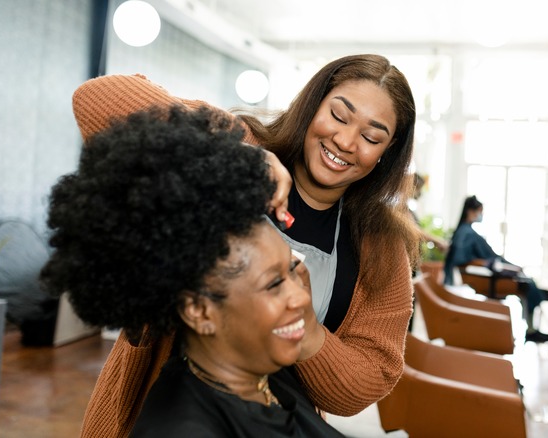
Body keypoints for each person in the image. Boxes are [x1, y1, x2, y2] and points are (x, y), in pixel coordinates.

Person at [70, 54, 421, 437]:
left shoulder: (381, 244)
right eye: (338, 115)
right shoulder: (238, 142)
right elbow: (95, 99)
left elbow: (369, 379)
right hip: (167, 404)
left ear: (388, 153)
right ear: (313, 105)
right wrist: (232, 159)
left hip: (278, 417)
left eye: (372, 137)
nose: (345, 141)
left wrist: (304, 329)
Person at [41, 106, 345, 437]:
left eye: (292, 270)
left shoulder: (261, 373)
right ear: (199, 311)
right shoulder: (183, 428)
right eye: (274, 284)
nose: (301, 298)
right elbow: (94, 98)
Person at [443, 195, 548, 343]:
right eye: (480, 211)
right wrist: (498, 266)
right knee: (528, 284)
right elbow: (468, 260)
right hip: (487, 277)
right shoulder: (467, 233)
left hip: (490, 270)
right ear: (471, 211)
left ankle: (532, 326)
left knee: (528, 282)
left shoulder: (465, 231)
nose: (481, 215)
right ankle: (532, 329)